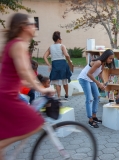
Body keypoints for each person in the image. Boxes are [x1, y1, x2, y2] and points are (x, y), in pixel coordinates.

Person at [0, 13, 55, 159]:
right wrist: (42, 89)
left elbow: (23, 77)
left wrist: (38, 86)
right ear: (24, 27)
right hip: (7, 97)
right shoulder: (18, 44)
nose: (35, 26)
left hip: (6, 95)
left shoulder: (17, 44)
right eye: (32, 23)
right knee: (36, 123)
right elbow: (25, 72)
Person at [78, 49, 115, 128]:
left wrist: (104, 82)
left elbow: (99, 74)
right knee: (89, 98)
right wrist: (98, 83)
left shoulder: (103, 64)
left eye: (112, 59)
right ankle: (90, 120)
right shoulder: (98, 62)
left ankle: (94, 116)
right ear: (106, 57)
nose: (111, 60)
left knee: (97, 97)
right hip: (84, 78)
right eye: (110, 58)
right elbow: (89, 73)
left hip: (90, 79)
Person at [43, 31, 72, 100]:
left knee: (57, 82)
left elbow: (44, 56)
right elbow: (66, 55)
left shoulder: (50, 47)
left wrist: (49, 65)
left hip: (55, 64)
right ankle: (66, 95)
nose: (62, 40)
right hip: (62, 64)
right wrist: (69, 60)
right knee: (65, 80)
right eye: (61, 38)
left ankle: (58, 96)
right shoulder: (62, 46)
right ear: (58, 39)